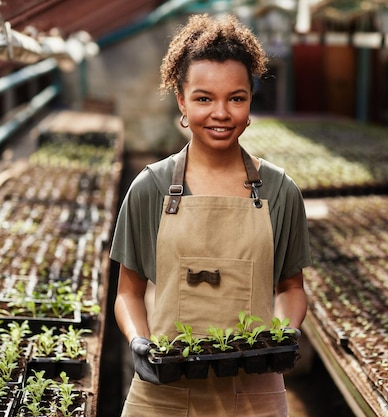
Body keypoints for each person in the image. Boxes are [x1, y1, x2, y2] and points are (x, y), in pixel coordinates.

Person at [110, 13, 312, 417]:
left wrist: (285, 333)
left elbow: (291, 287)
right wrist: (139, 341)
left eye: (235, 98)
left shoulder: (279, 190)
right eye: (204, 98)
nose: (221, 113)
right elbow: (128, 293)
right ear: (181, 101)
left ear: (250, 101)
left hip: (253, 392)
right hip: (164, 392)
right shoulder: (150, 188)